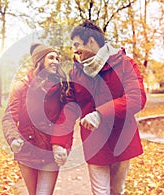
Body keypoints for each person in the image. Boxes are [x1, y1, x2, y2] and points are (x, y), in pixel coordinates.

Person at [50, 20, 147, 195]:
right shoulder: (76, 72)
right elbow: (70, 108)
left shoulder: (125, 63)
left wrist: (100, 114)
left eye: (77, 44)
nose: (75, 50)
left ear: (92, 41)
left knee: (117, 191)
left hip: (121, 138)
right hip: (95, 142)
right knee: (100, 192)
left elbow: (137, 97)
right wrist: (59, 142)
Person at [2, 43, 70, 195]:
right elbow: (9, 117)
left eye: (57, 58)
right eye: (51, 57)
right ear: (40, 61)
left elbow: (66, 120)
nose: (56, 61)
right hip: (27, 150)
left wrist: (63, 146)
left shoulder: (61, 88)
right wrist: (13, 138)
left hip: (49, 152)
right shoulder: (21, 86)